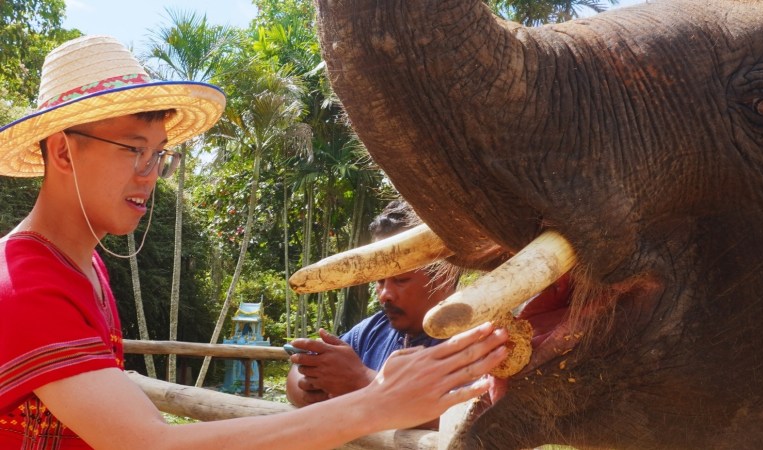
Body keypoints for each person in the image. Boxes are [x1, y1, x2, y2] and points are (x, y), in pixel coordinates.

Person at [0, 35, 509, 450]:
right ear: (63, 152)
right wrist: (376, 403)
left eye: (160, 154)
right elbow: (148, 443)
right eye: (134, 151)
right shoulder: (27, 284)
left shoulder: (83, 269)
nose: (150, 175)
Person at [285, 200, 460, 423]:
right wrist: (313, 389)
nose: (385, 294)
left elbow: (460, 415)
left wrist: (361, 381)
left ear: (445, 275)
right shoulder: (373, 331)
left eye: (401, 280)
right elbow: (294, 376)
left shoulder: (475, 337)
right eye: (379, 281)